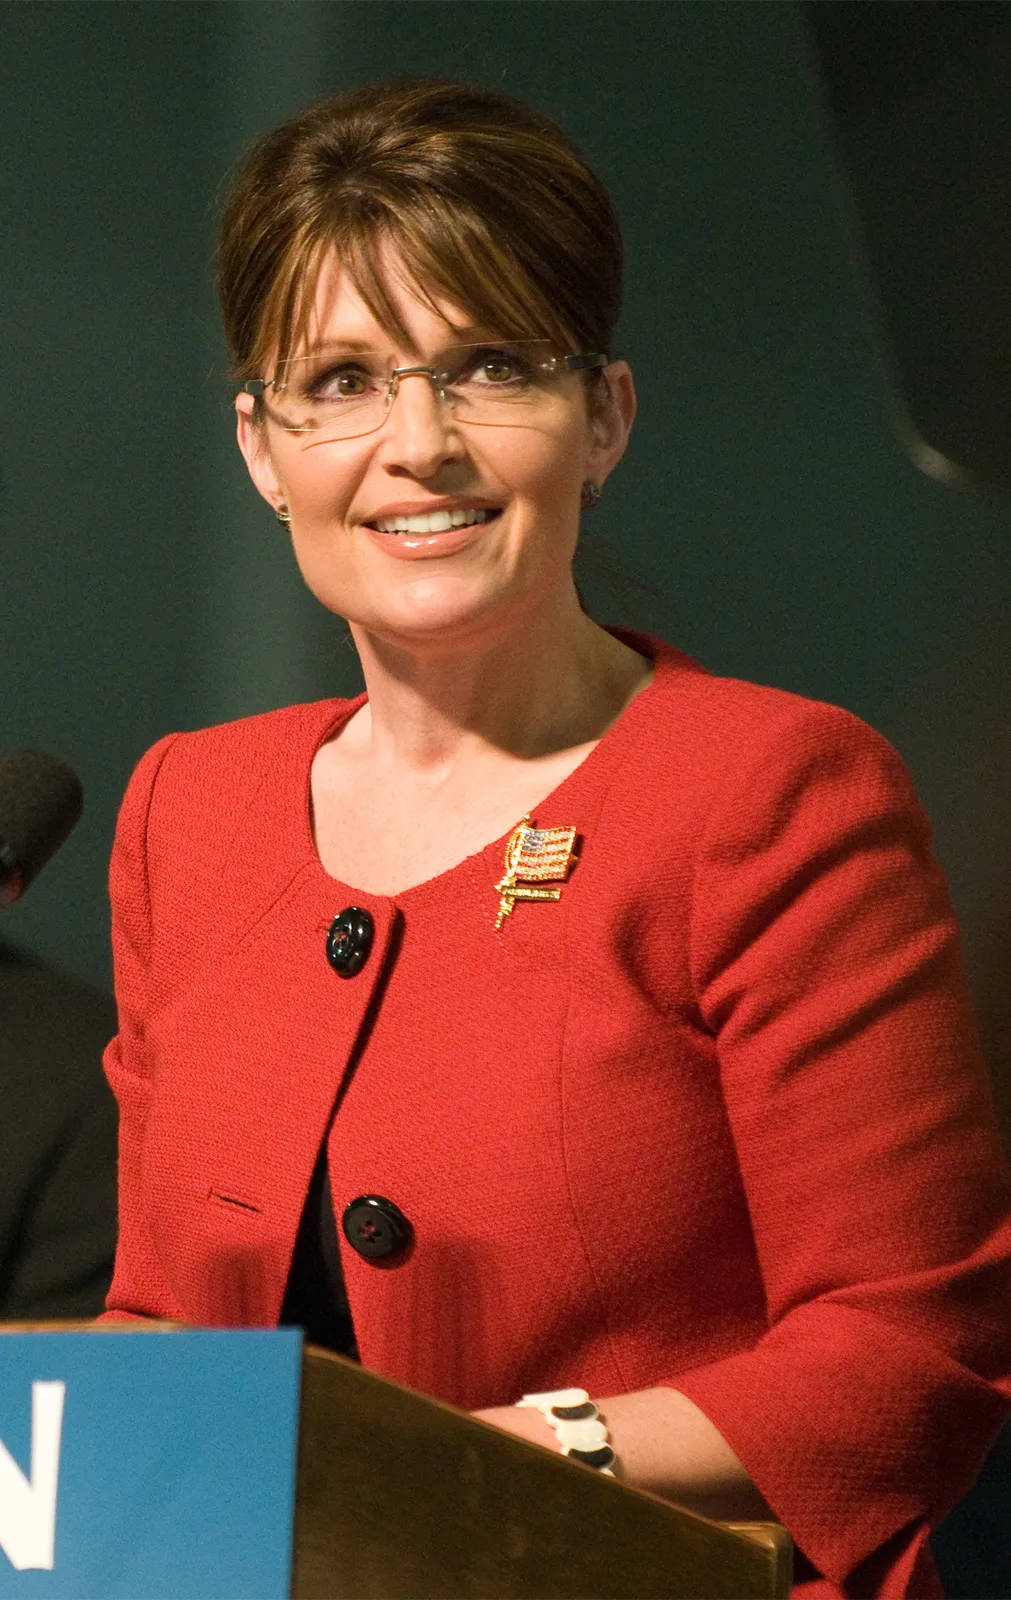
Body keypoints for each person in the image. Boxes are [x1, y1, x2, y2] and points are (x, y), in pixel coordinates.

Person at [100, 77, 1011, 1598]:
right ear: (262, 448)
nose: (420, 443)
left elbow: (908, 1359)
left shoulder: (771, 794)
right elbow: (159, 1333)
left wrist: (516, 1460)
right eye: (340, 381)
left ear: (604, 418)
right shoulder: (184, 807)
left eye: (491, 367)